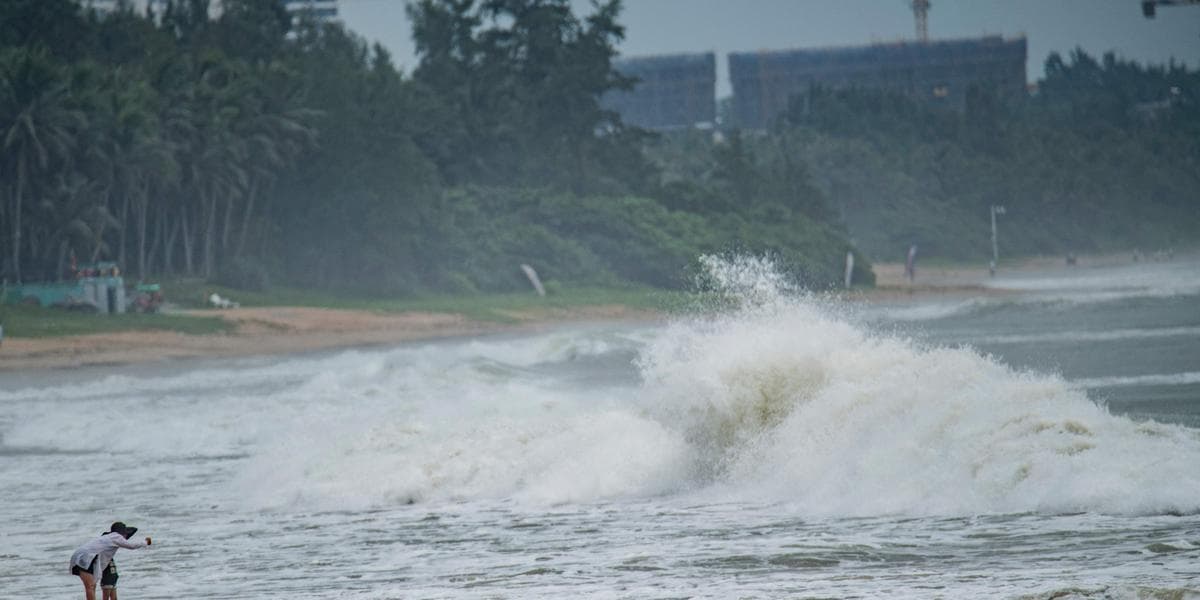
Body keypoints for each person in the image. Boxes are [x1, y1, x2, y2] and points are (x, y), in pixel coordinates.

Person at [69, 523, 151, 600]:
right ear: (122, 533)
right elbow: (131, 546)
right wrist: (145, 542)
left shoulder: (107, 537)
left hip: (79, 556)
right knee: (90, 586)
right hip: (86, 558)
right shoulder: (116, 537)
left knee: (91, 586)